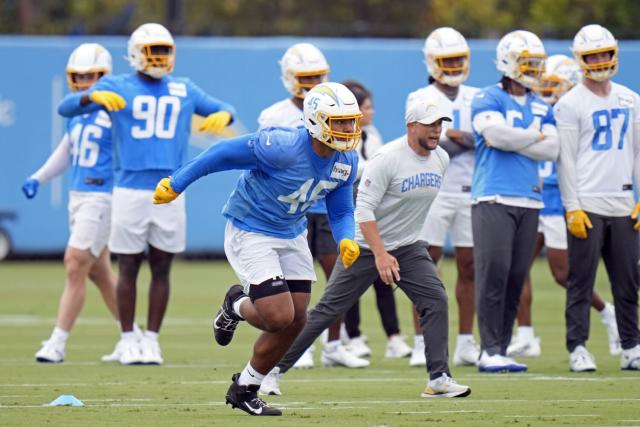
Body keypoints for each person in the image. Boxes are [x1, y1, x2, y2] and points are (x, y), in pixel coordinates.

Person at [153, 82, 362, 416]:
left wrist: (346, 238)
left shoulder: (347, 160)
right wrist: (177, 182)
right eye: (337, 122)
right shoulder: (281, 145)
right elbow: (220, 155)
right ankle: (236, 304)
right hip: (251, 228)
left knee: (296, 321)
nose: (346, 129)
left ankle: (245, 388)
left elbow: (340, 209)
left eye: (349, 121)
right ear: (314, 120)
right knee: (278, 316)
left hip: (291, 232)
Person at [263, 97, 472, 399]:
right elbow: (363, 210)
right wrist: (380, 253)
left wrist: (398, 248)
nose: (436, 131)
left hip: (408, 246)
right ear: (411, 126)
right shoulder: (387, 158)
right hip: (364, 246)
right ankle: (272, 371)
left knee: (435, 299)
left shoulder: (441, 158)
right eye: (430, 124)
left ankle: (438, 378)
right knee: (325, 312)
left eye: (440, 124)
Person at [57, 23, 236, 365]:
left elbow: (223, 106)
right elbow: (66, 108)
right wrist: (89, 96)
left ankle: (152, 339)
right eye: (153, 50)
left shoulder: (183, 88)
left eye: (165, 50)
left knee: (162, 267)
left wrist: (225, 114)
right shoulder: (117, 85)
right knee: (127, 266)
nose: (160, 58)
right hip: (128, 188)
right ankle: (128, 338)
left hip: (170, 188)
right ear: (137, 53)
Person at [257, 43, 368, 370]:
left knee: (338, 278)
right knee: (292, 284)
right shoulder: (274, 115)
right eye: (306, 76)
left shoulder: (338, 106)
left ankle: (333, 343)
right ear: (288, 77)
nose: (312, 81)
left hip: (329, 204)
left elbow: (351, 160)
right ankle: (297, 343)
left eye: (318, 75)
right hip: (293, 208)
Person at [509, 54, 620, 358]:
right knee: (516, 269)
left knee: (562, 273)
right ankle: (526, 335)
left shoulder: (573, 114)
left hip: (559, 203)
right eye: (544, 84)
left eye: (554, 85)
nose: (546, 90)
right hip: (532, 199)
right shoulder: (536, 111)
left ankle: (607, 312)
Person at [23, 43, 122, 363]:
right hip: (78, 196)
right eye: (77, 77)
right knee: (100, 273)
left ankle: (57, 341)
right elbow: (67, 151)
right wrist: (39, 177)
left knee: (75, 262)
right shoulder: (76, 110)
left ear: (104, 75)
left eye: (89, 76)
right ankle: (130, 335)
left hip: (102, 195)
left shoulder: (117, 109)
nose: (83, 82)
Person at [471, 30, 559, 373]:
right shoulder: (487, 97)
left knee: (515, 276)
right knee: (494, 272)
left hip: (530, 198)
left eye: (537, 63)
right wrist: (534, 137)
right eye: (528, 63)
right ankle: (488, 349)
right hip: (493, 195)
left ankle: (501, 347)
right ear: (508, 62)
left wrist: (516, 140)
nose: (534, 69)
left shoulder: (542, 104)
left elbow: (552, 148)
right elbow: (494, 135)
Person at [555, 24, 640, 372]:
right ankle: (577, 346)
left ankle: (631, 345)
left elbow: (637, 152)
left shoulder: (630, 98)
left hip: (622, 203)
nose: (600, 60)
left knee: (627, 281)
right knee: (581, 280)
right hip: (587, 203)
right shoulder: (570, 102)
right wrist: (572, 205)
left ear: (614, 53)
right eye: (592, 55)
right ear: (581, 59)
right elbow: (567, 158)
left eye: (605, 53)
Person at [407, 27, 480, 368]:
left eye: (457, 60)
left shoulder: (479, 97)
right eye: (446, 60)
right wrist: (456, 138)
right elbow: (424, 143)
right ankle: (421, 341)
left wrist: (458, 138)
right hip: (431, 192)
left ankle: (466, 341)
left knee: (470, 267)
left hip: (471, 189)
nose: (452, 67)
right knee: (424, 266)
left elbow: (487, 139)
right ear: (432, 62)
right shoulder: (419, 97)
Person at [340, 79, 410, 360]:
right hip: (352, 212)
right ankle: (353, 336)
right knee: (352, 278)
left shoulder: (373, 134)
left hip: (375, 213)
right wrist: (379, 170)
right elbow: (355, 170)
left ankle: (394, 337)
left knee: (385, 276)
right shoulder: (344, 136)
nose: (372, 112)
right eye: (367, 107)